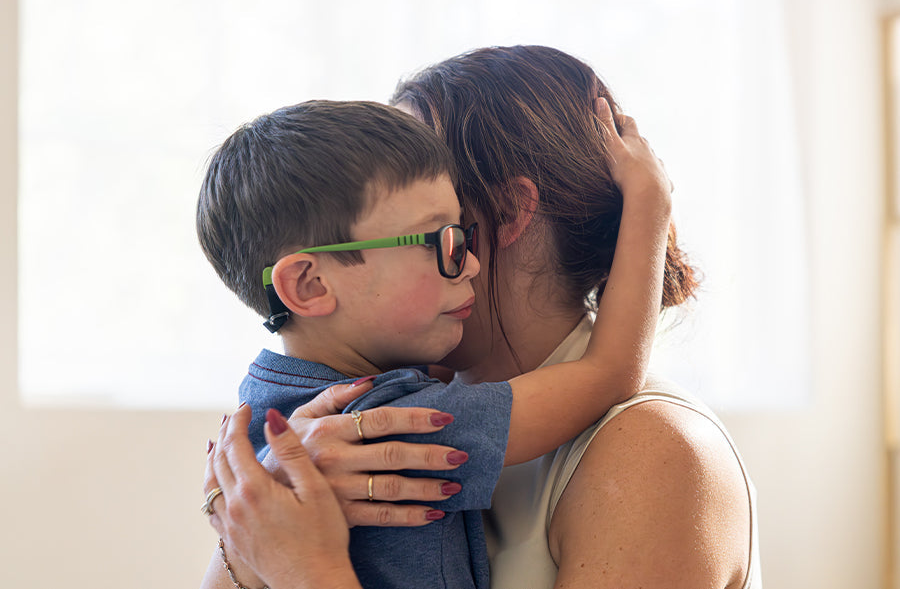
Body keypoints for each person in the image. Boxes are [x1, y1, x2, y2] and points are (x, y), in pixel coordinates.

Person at [203, 45, 761, 589]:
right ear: (308, 285)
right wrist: (254, 522)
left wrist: (302, 568)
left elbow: (610, 373)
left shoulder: (653, 450)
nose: (461, 259)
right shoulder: (353, 416)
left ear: (509, 212)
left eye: (453, 227)